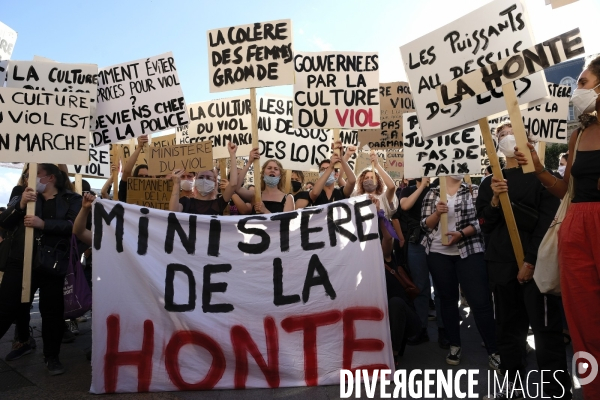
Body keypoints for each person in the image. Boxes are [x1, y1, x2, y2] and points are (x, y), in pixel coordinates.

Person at [513, 55, 600, 400]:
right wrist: (538, 168)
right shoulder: (578, 134)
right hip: (577, 225)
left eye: (583, 83)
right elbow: (567, 190)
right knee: (584, 323)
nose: (576, 90)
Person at [478, 122, 571, 399]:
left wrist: (530, 261)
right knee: (508, 330)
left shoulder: (544, 178)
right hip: (501, 267)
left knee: (546, 332)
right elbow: (485, 223)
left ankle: (555, 390)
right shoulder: (489, 181)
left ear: (528, 140)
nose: (506, 138)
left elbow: (548, 222)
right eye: (501, 135)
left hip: (536, 267)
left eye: (511, 133)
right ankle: (513, 387)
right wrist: (495, 199)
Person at [0, 163, 82, 375]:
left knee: (52, 312)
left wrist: (43, 224)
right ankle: (23, 341)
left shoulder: (71, 198)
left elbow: (73, 226)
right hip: (20, 260)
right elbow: (4, 222)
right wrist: (20, 206)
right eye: (27, 174)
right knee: (6, 306)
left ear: (50, 178)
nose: (28, 178)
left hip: (51, 262)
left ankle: (52, 357)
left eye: (34, 174)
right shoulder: (23, 194)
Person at [421, 175, 499, 369]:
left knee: (480, 301)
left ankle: (494, 350)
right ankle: (454, 345)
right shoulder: (432, 193)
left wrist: (463, 234)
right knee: (447, 300)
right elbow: (424, 225)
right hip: (438, 253)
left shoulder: (473, 191)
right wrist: (437, 214)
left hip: (469, 251)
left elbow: (482, 221)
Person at [399, 177, 447, 348]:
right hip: (416, 241)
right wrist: (422, 185)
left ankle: (444, 329)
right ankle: (421, 329)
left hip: (438, 241)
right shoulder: (408, 190)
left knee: (441, 287)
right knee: (420, 286)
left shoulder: (439, 188)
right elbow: (405, 206)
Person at [352, 152, 399, 262]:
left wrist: (377, 165)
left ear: (378, 181)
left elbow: (392, 187)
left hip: (382, 235)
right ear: (361, 181)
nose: (368, 179)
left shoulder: (383, 197)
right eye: (366, 177)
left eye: (372, 177)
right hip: (361, 236)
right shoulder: (356, 196)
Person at [170, 142, 238, 215]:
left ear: (215, 183)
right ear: (195, 181)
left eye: (209, 178)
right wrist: (176, 184)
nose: (204, 180)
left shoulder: (218, 203)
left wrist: (232, 154)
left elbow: (233, 184)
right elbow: (173, 212)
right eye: (201, 177)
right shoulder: (186, 202)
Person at [236, 149, 295, 214]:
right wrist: (249, 162)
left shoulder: (288, 198)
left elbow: (285, 223)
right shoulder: (255, 195)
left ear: (280, 176)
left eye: (276, 169)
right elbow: (237, 187)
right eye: (269, 168)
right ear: (263, 174)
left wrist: (265, 211)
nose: (272, 170)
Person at [309, 142, 356, 206]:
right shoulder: (315, 191)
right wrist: (331, 167)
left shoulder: (341, 192)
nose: (325, 171)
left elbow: (352, 181)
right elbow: (314, 193)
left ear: (336, 174)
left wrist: (341, 157)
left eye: (328, 168)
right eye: (322, 169)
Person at [118, 135, 150, 202]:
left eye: (146, 176)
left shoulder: (155, 193)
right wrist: (139, 147)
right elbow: (126, 172)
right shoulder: (127, 191)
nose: (143, 179)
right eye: (140, 176)